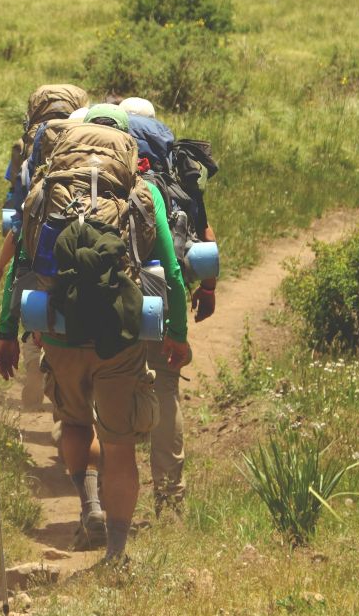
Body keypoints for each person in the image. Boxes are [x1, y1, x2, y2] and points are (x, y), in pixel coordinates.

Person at [0, 104, 190, 562]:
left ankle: (90, 507)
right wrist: (176, 333)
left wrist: (7, 331)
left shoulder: (44, 189)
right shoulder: (142, 192)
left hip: (59, 331)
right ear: (126, 145)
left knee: (75, 423)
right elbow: (174, 271)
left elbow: (22, 264)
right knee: (120, 445)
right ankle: (116, 555)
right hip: (119, 333)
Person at [119, 96, 219, 519]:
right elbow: (204, 235)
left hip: (112, 300)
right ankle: (170, 501)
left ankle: (109, 502)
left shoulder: (104, 174)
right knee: (165, 391)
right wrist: (208, 289)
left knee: (107, 396)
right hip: (160, 296)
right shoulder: (173, 174)